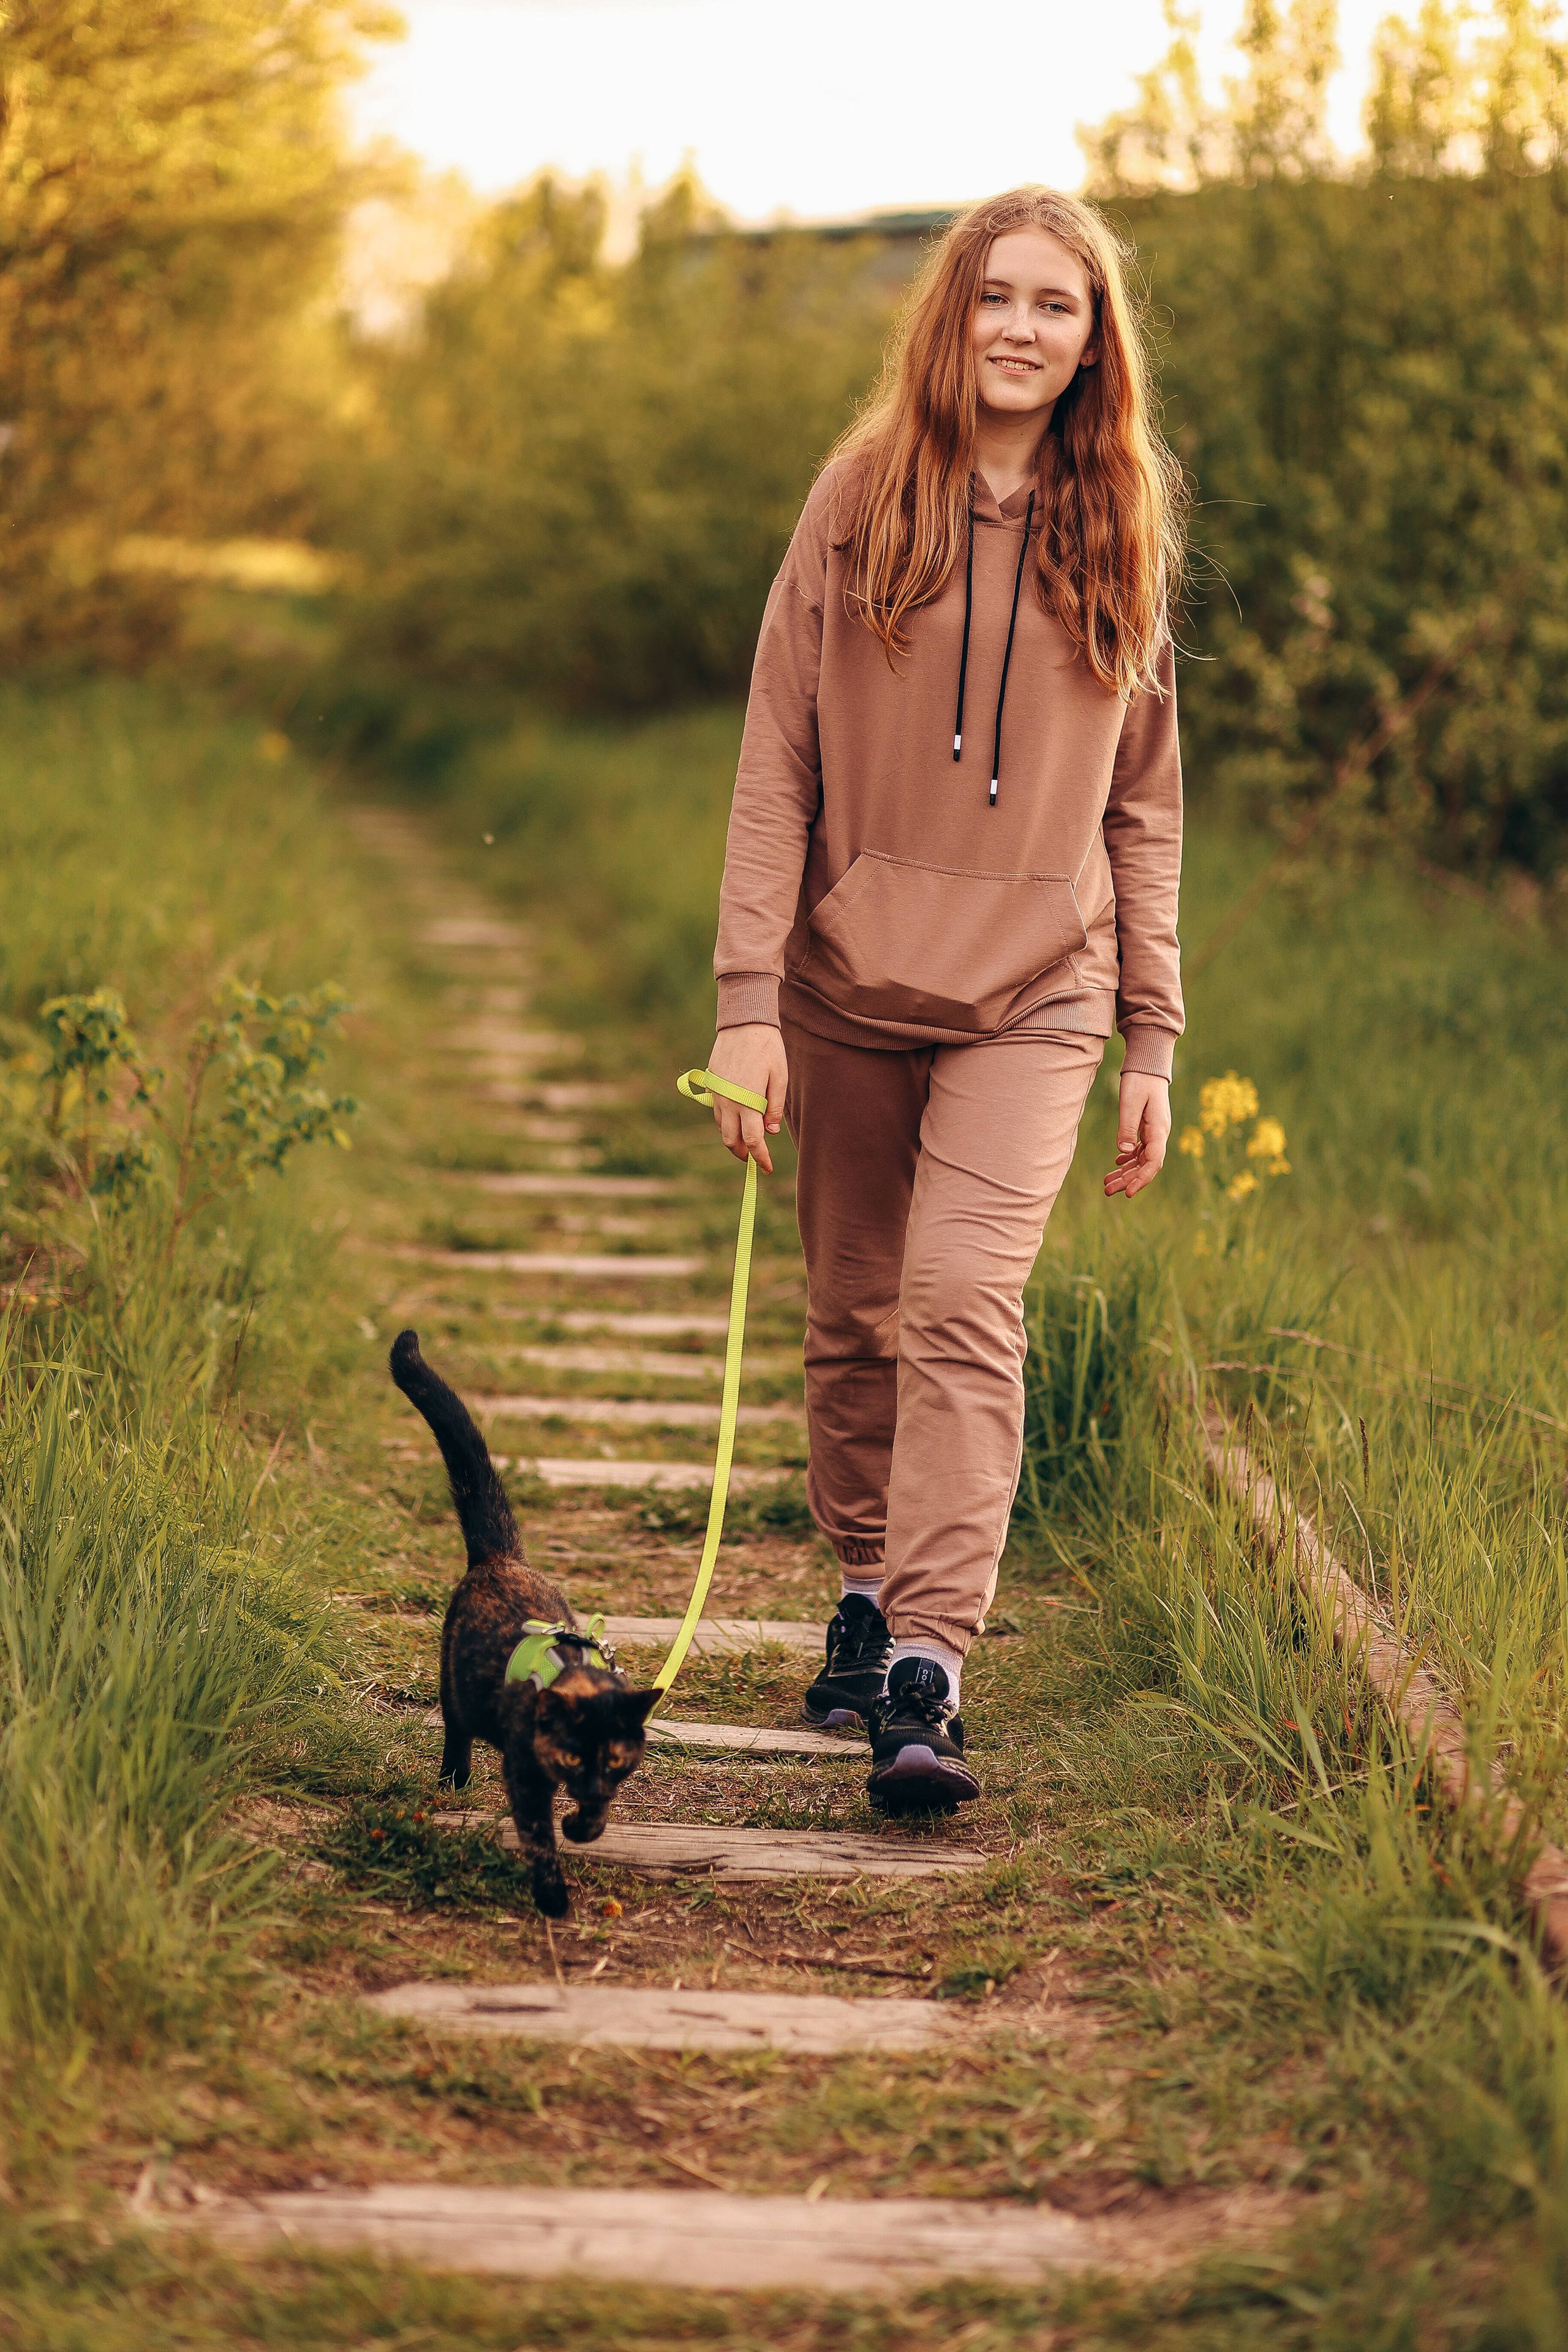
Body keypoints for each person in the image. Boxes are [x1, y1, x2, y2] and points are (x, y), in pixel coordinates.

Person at [706, 187, 1185, 1814]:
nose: (1025, 330)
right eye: (998, 299)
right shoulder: (857, 503)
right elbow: (776, 762)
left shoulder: (1118, 518)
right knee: (853, 1316)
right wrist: (744, 1005)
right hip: (843, 986)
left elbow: (1147, 804)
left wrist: (1153, 1033)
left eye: (1059, 305)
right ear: (951, 318)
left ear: (1092, 338)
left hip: (1039, 996)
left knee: (967, 1307)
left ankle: (928, 1666)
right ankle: (859, 1597)